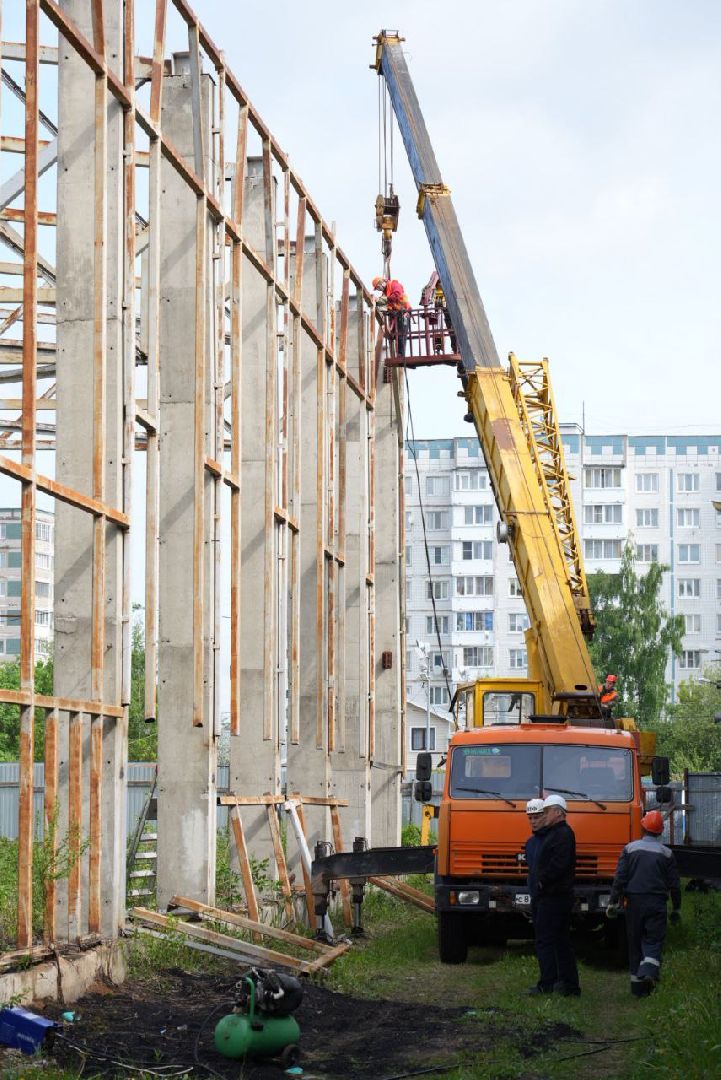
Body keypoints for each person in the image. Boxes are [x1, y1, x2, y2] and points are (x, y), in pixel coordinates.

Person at [607, 809, 681, 997]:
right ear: (660, 831)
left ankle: (637, 988)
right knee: (654, 939)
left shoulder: (630, 849)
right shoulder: (667, 854)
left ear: (643, 827)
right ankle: (649, 973)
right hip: (657, 902)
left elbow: (620, 878)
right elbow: (674, 884)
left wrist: (613, 901)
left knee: (634, 941)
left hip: (634, 902)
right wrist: (676, 907)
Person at [527, 793, 581, 997]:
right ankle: (568, 985)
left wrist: (542, 880)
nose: (544, 815)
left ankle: (548, 984)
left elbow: (558, 865)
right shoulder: (556, 833)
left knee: (546, 940)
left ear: (558, 813)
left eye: (547, 811)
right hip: (553, 895)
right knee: (560, 941)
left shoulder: (562, 835)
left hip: (553, 896)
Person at [524, 798, 546, 921]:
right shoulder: (530, 843)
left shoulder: (551, 840)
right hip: (535, 897)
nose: (533, 822)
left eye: (536, 817)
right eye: (530, 818)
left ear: (545, 816)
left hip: (548, 898)